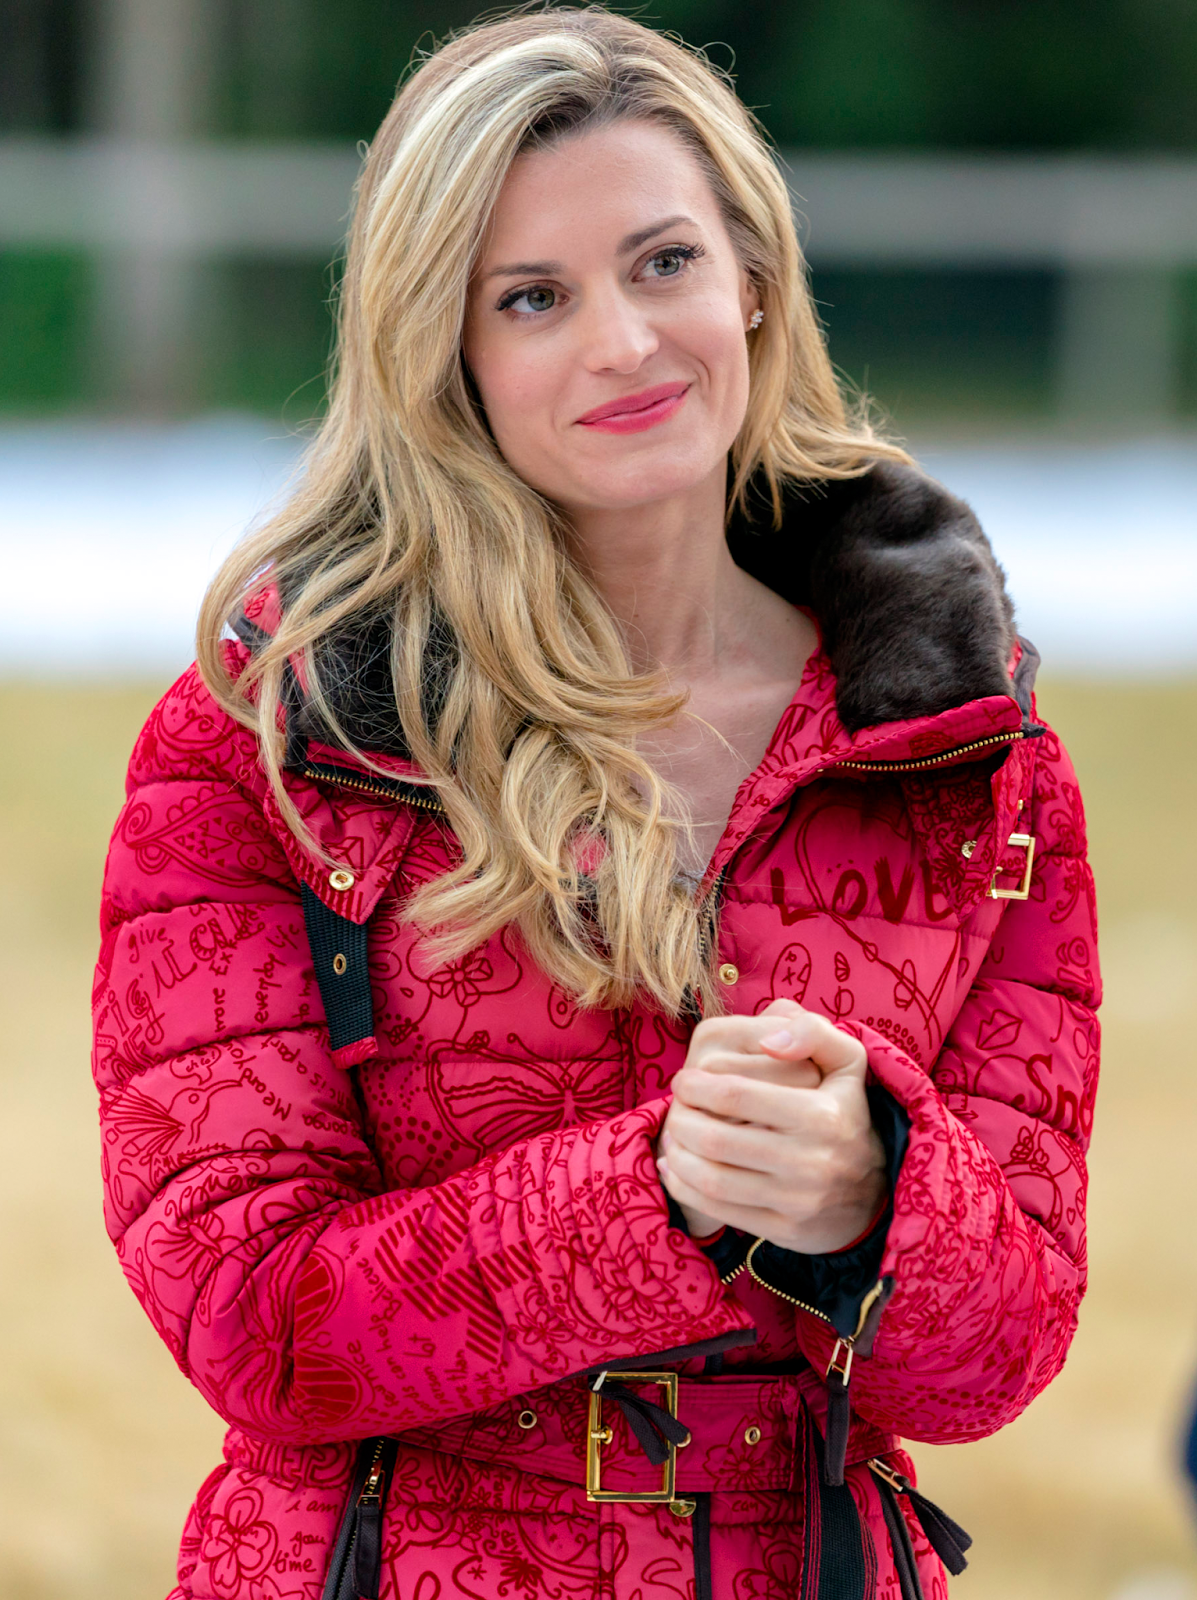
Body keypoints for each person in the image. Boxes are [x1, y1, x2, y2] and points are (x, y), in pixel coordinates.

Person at [91, 9, 1100, 1598]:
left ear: (750, 275)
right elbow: (249, 1318)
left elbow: (998, 1361)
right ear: (445, 350)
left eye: (663, 263)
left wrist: (875, 1199)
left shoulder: (966, 756)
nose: (624, 343)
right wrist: (655, 1198)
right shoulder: (270, 744)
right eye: (533, 298)